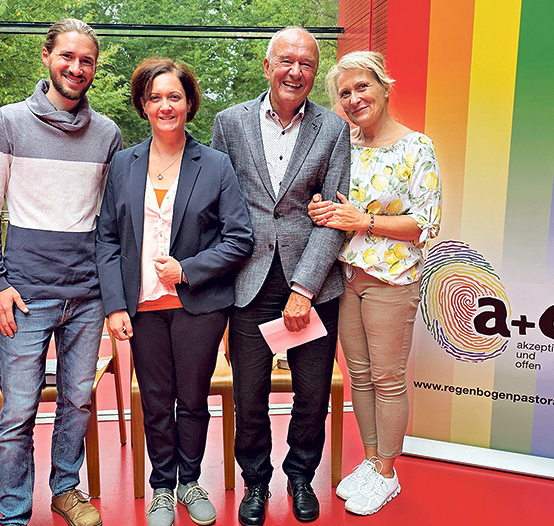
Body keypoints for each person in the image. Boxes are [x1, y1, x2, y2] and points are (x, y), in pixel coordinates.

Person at [0, 19, 122, 526]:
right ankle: (13, 512)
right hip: (25, 296)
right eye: (68, 57)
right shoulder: (8, 122)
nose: (77, 68)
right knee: (16, 412)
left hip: (87, 295)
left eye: (87, 61)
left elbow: (112, 220)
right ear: (46, 57)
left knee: (78, 401)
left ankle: (65, 489)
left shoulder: (107, 134)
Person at [96, 57, 253, 526]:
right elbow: (105, 238)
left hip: (198, 307)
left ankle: (189, 481)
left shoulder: (216, 165)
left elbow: (239, 237)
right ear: (143, 105)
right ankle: (162, 486)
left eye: (175, 97)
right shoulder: (123, 164)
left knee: (192, 398)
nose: (166, 106)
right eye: (155, 97)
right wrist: (114, 305)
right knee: (156, 400)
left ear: (189, 103)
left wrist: (187, 269)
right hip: (140, 308)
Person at [210, 26, 351, 526]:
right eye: (286, 61)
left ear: (315, 72)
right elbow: (218, 204)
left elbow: (335, 214)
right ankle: (255, 481)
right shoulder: (229, 123)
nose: (296, 71)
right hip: (248, 279)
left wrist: (305, 288)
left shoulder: (333, 130)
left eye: (307, 64)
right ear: (267, 66)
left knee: (313, 392)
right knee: (249, 393)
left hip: (313, 283)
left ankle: (300, 475)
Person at [307, 50, 442, 516]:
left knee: (387, 380)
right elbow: (337, 210)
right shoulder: (345, 145)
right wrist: (324, 213)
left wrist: (364, 220)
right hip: (348, 279)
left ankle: (387, 471)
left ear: (385, 87)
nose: (353, 98)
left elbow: (426, 224)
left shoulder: (416, 146)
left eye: (362, 87)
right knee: (359, 377)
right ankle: (369, 460)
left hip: (392, 283)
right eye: (344, 93)